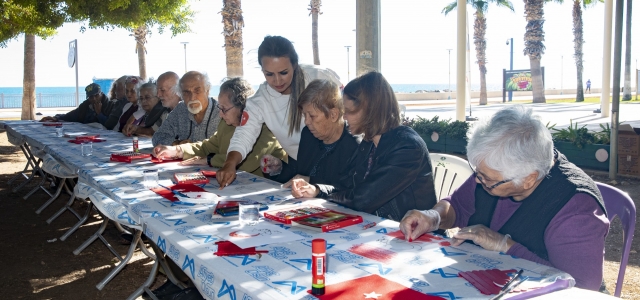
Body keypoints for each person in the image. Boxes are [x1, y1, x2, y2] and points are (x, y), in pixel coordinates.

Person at [399, 105, 609, 291]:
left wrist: (504, 245)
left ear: (528, 179)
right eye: (477, 173)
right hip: (488, 282)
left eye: (488, 179)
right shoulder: (497, 171)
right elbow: (457, 206)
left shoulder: (576, 211)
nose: (479, 182)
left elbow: (580, 288)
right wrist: (433, 217)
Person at [289, 72, 437, 222]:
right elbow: (346, 186)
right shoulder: (368, 144)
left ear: (369, 110)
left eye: (348, 111)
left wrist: (324, 194)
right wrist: (317, 190)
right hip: (385, 230)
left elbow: (363, 199)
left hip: (418, 237)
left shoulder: (407, 147)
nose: (344, 117)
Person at [217, 35, 341, 188]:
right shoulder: (260, 100)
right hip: (303, 168)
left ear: (295, 65)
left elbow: (347, 116)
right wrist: (230, 164)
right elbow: (244, 134)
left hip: (339, 162)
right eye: (269, 74)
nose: (277, 80)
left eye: (283, 72)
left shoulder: (320, 77)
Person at [153, 78, 286, 176]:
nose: (221, 115)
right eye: (219, 108)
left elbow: (249, 161)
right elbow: (209, 145)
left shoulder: (266, 126)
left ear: (242, 106)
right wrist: (176, 150)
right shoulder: (226, 124)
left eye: (224, 109)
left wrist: (209, 160)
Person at [262, 79, 358, 188]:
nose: (306, 122)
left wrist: (311, 182)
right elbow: (299, 175)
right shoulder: (308, 135)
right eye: (304, 115)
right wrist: (279, 169)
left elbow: (349, 190)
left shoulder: (355, 145)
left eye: (312, 116)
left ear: (333, 115)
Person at [151, 71, 221, 146]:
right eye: (186, 93)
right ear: (180, 94)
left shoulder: (221, 112)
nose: (192, 98)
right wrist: (176, 143)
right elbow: (158, 136)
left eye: (197, 91)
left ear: (207, 90)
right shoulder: (181, 109)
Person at [40, 83, 110, 124]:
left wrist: (99, 114)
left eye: (96, 95)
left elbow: (109, 125)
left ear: (101, 94)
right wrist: (56, 118)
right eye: (91, 97)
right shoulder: (85, 106)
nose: (94, 99)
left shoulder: (110, 104)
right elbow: (70, 116)